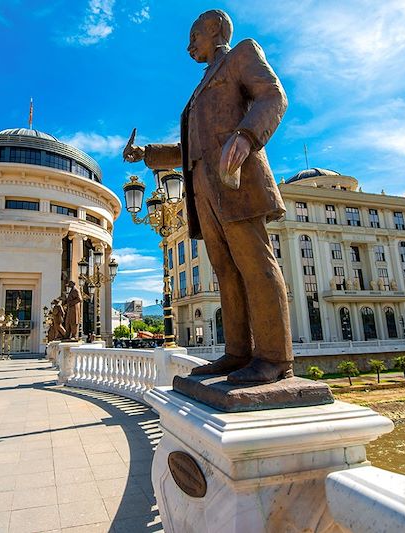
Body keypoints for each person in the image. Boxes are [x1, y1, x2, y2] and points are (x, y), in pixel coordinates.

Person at [123, 9, 292, 384]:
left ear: (214, 27)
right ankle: (237, 354)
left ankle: (275, 358)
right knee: (225, 271)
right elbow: (190, 148)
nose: (189, 46)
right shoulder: (200, 89)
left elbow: (273, 96)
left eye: (194, 35)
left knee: (255, 263)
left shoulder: (242, 55)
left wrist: (247, 137)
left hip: (236, 178)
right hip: (202, 188)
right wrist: (147, 153)